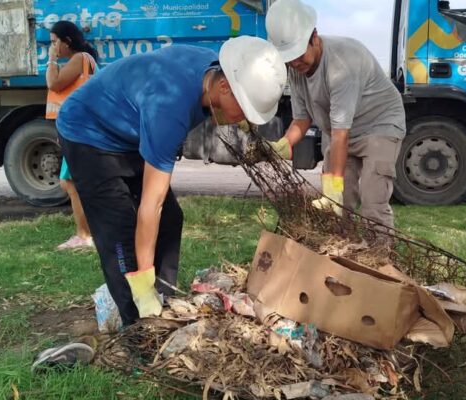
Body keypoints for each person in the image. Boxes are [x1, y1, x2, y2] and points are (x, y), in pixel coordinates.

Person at [56, 36, 286, 325]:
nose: (246, 119)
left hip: (128, 129)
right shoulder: (169, 108)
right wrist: (142, 280)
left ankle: (163, 300)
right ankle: (138, 324)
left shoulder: (212, 69)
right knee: (119, 232)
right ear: (225, 87)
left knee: (171, 219)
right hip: (87, 133)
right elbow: (152, 204)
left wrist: (237, 115)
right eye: (245, 109)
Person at [264, 0, 406, 242]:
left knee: (372, 199)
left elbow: (341, 134)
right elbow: (302, 118)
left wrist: (334, 186)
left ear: (314, 37)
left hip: (379, 124)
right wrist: (285, 143)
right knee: (339, 204)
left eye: (298, 54)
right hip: (341, 130)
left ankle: (381, 256)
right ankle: (342, 250)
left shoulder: (342, 64)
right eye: (289, 59)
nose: (295, 63)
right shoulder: (297, 71)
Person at [46, 21, 98, 251]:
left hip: (80, 130)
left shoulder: (79, 59)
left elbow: (54, 84)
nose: (53, 47)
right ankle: (88, 232)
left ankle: (84, 235)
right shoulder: (85, 59)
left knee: (71, 182)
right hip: (81, 128)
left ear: (66, 41)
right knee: (71, 182)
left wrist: (51, 60)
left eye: (54, 42)